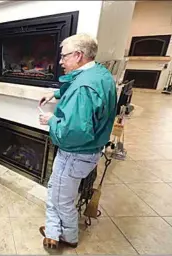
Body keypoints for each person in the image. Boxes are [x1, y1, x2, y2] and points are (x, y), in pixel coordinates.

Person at [38, 34, 117, 249]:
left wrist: (51, 120)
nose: (60, 62)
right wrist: (54, 94)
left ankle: (69, 237)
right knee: (60, 190)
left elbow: (73, 133)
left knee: (61, 198)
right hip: (89, 153)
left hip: (75, 153)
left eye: (64, 57)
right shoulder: (99, 73)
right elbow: (74, 86)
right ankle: (54, 231)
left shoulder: (83, 88)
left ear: (78, 55)